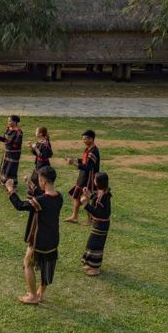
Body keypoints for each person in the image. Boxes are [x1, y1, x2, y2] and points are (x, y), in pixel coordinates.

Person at [5, 166, 62, 305]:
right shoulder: (59, 197)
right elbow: (43, 195)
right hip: (53, 238)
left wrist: (10, 190)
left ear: (42, 180)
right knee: (47, 266)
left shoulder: (40, 201)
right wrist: (31, 185)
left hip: (38, 239)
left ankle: (33, 296)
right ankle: (39, 293)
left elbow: (20, 205)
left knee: (27, 263)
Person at [65, 130, 100, 225]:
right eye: (83, 139)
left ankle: (90, 219)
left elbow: (88, 167)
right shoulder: (88, 149)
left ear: (91, 139)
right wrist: (75, 159)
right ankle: (74, 217)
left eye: (85, 139)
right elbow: (85, 161)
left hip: (88, 179)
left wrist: (74, 163)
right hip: (82, 177)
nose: (83, 141)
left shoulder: (93, 151)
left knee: (85, 198)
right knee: (76, 197)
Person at [80, 172, 112, 276]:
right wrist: (89, 194)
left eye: (95, 179)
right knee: (92, 244)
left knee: (96, 245)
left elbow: (97, 212)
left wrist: (86, 204)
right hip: (98, 224)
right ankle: (91, 264)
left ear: (99, 182)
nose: (93, 181)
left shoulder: (104, 196)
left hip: (101, 225)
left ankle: (96, 268)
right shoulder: (102, 193)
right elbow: (95, 198)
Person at [0, 115, 23, 187]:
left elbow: (17, 143)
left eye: (10, 121)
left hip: (14, 154)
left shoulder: (18, 132)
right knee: (5, 167)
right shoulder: (8, 129)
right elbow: (4, 139)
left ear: (15, 122)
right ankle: (5, 182)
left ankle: (13, 185)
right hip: (7, 152)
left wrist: (8, 140)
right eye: (8, 121)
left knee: (11, 168)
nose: (8, 122)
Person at [26, 126, 53, 195]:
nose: (35, 133)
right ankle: (34, 191)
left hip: (43, 164)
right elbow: (36, 154)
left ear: (40, 134)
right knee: (34, 178)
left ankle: (39, 193)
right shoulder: (39, 142)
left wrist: (35, 148)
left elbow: (43, 155)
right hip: (38, 163)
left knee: (40, 179)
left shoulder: (45, 144)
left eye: (36, 131)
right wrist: (31, 147)